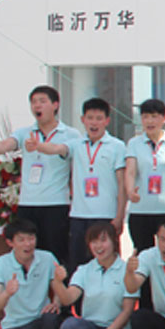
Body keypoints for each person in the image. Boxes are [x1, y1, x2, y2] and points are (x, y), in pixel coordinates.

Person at [0, 85, 79, 264]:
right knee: (27, 254)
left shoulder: (70, 134)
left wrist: (40, 146)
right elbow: (6, 145)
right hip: (28, 204)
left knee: (56, 254)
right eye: (33, 102)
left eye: (42, 101)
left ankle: (57, 284)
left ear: (55, 105)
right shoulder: (24, 132)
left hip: (55, 204)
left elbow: (59, 149)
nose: (37, 106)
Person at [29, 98, 127, 272]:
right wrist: (39, 146)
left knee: (107, 263)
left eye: (99, 118)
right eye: (90, 118)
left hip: (105, 215)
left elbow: (122, 184)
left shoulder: (117, 146)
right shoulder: (76, 144)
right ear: (83, 120)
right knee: (77, 264)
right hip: (78, 216)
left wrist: (119, 216)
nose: (94, 123)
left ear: (107, 121)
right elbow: (57, 149)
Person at [54, 222, 138, 329]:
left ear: (114, 241)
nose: (98, 246)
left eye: (103, 240)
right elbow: (68, 298)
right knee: (69, 325)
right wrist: (57, 282)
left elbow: (127, 310)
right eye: (94, 241)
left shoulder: (126, 270)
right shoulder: (84, 270)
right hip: (90, 327)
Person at [124, 99, 165, 259]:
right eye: (145, 117)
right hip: (141, 210)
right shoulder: (134, 143)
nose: (150, 121)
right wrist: (130, 191)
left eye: (154, 116)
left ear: (164, 118)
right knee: (144, 256)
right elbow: (130, 171)